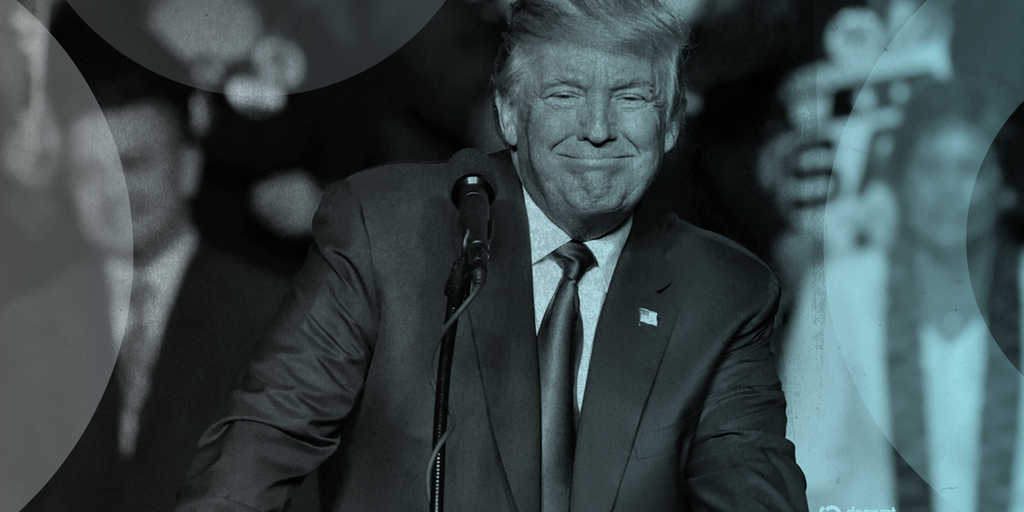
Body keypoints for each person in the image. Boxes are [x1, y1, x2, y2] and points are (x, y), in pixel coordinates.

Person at [176, 0, 807, 510]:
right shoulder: (385, 231)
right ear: (507, 114)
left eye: (632, 97)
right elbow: (263, 442)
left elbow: (750, 488)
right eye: (563, 94)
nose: (597, 127)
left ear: (671, 124)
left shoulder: (723, 293)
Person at [0, 64, 296, 512]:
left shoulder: (273, 316)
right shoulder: (25, 324)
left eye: (133, 164)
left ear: (188, 169)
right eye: (87, 173)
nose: (113, 192)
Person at [783, 78, 1024, 512]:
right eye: (930, 168)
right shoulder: (838, 293)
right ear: (900, 181)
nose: (948, 191)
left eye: (970, 169)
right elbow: (807, 469)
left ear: (1005, 188)